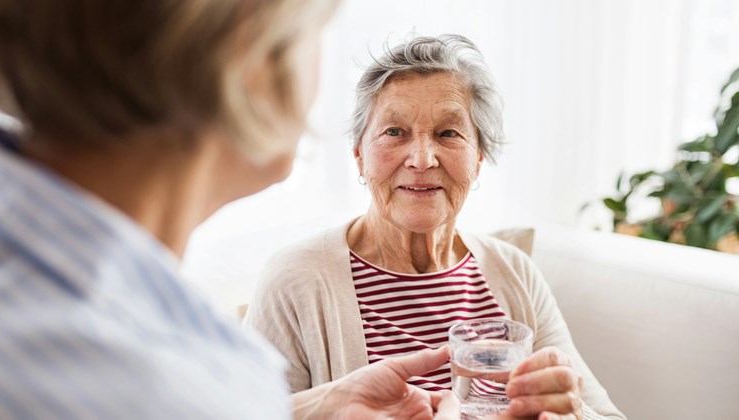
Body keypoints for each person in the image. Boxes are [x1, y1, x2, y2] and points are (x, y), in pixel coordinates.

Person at [0, 1, 459, 419]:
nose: (421, 157)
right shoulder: (172, 385)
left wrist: (306, 409)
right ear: (251, 49)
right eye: (315, 25)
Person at [244, 35, 627, 420]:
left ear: (478, 158)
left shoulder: (515, 271)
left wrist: (571, 411)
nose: (422, 159)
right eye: (395, 132)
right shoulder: (295, 279)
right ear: (359, 155)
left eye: (448, 133)